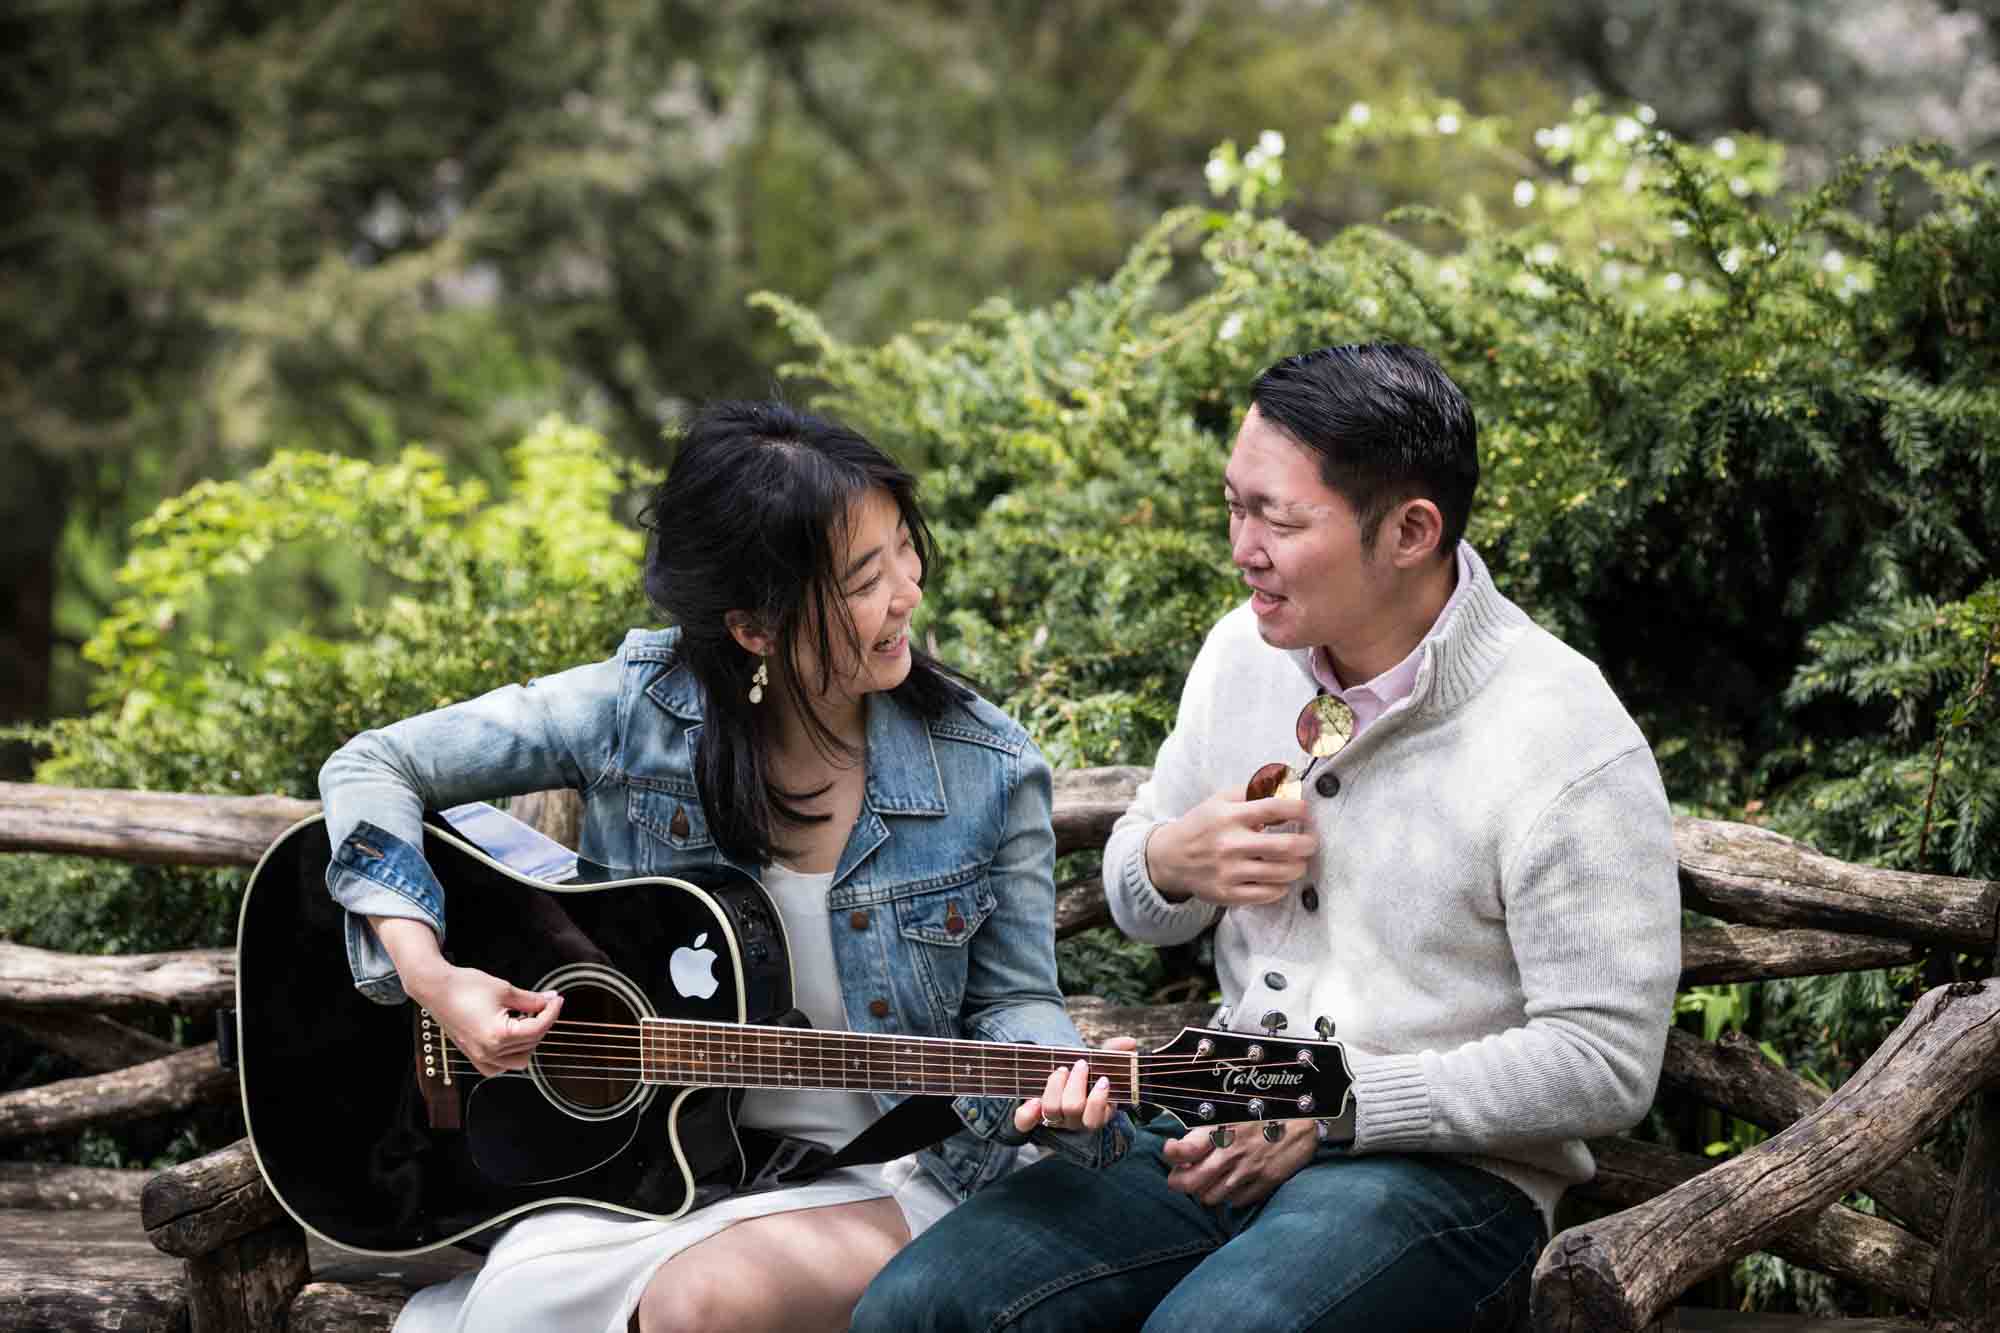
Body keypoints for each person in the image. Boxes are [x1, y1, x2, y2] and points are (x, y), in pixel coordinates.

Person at [853, 343, 1683, 1332]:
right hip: (1208, 1115)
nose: (1240, 545)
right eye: (1232, 505)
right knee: (918, 1307)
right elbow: (1138, 885)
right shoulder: (1244, 650)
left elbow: (1602, 1063)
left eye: (1277, 519)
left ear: (1411, 530)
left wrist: (1331, 1101)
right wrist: (1170, 860)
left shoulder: (1559, 732)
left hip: (1439, 1177)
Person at [318, 401, 1127, 1333]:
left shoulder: (987, 767)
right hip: (654, 1170)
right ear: (755, 626)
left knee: (700, 1305)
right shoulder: (640, 710)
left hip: (898, 1168)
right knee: (517, 1308)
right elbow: (373, 762)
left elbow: (1015, 1002)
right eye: (866, 576)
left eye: (906, 548)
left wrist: (1056, 1077)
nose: (908, 589)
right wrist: (431, 976)